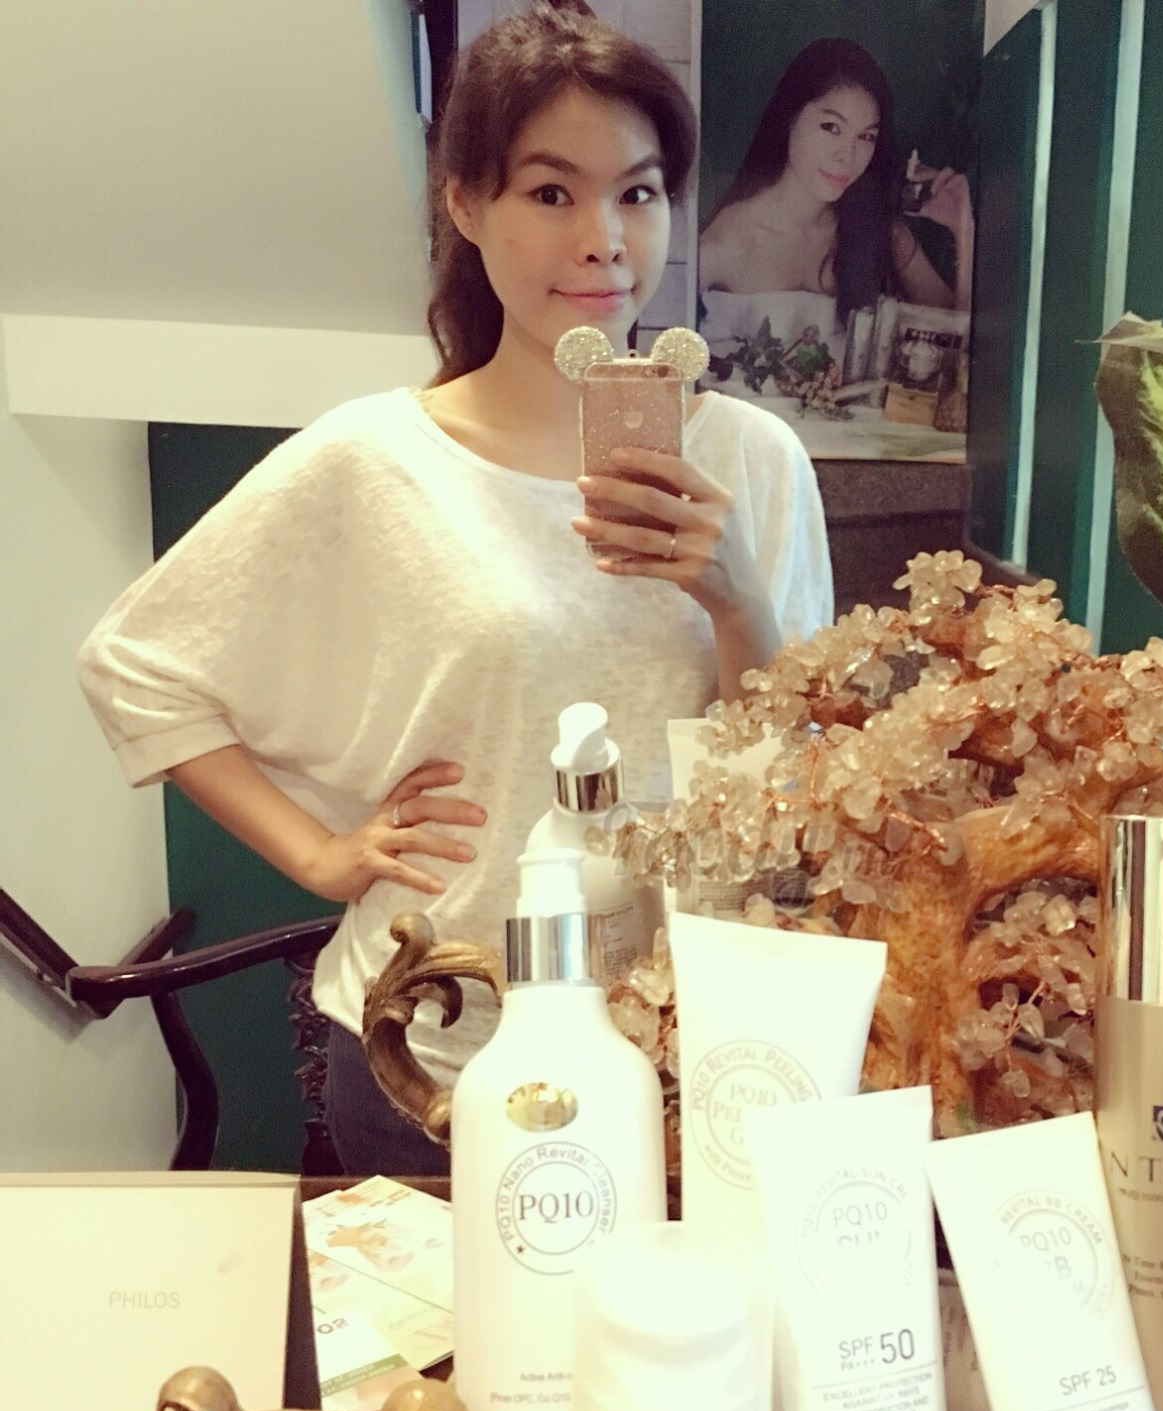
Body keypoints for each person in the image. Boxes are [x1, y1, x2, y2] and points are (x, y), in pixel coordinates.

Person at [77, 2, 834, 1177]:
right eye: (551, 192)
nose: (603, 240)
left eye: (637, 193)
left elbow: (796, 781)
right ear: (467, 205)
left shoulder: (753, 459)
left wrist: (737, 601)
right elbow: (134, 666)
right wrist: (323, 858)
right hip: (439, 1051)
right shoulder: (377, 460)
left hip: (696, 1053)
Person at [697, 35, 975, 362]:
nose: (847, 155)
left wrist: (963, 231)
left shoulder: (880, 232)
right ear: (789, 118)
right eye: (831, 127)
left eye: (866, 136)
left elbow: (961, 348)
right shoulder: (723, 242)